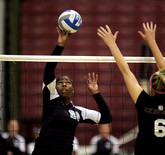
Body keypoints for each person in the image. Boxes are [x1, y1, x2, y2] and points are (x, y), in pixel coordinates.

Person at [97, 22, 165, 155]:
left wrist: (111, 44)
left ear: (150, 87)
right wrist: (152, 41)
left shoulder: (144, 101)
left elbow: (125, 71)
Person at [32, 27, 112, 155]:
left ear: (73, 90)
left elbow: (106, 118)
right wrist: (60, 45)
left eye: (67, 82)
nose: (64, 84)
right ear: (55, 88)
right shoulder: (51, 98)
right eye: (60, 82)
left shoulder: (78, 112)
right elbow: (48, 70)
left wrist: (96, 94)